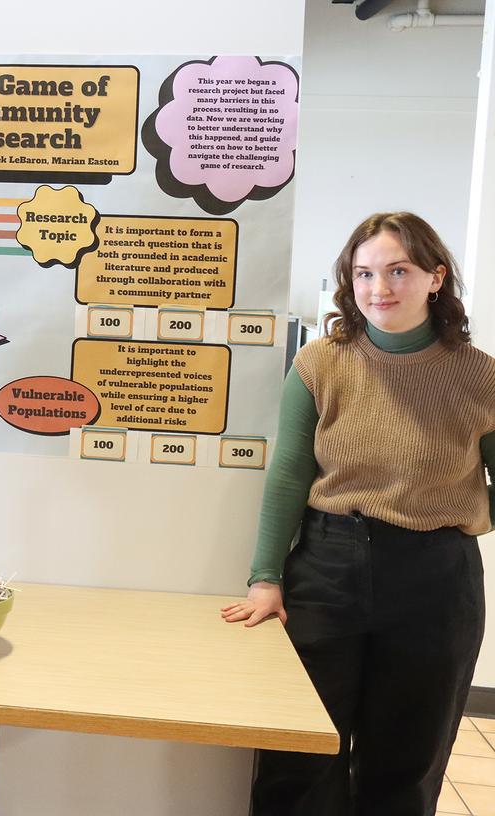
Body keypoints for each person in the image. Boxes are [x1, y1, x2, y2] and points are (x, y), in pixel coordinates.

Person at [221, 212, 495, 814]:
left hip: (436, 579)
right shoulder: (320, 362)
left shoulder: (480, 375)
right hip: (328, 568)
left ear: (436, 278)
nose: (379, 288)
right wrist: (265, 577)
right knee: (299, 755)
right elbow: (290, 473)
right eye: (365, 273)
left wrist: (470, 513)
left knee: (407, 761)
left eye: (398, 271)